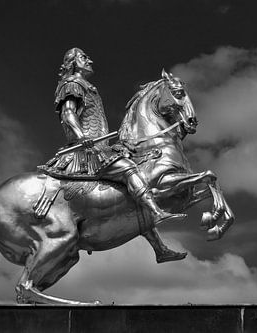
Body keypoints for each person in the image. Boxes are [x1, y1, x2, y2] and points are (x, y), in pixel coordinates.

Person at [39, 48, 186, 263]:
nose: (89, 60)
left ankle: (159, 249)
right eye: (83, 57)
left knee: (130, 194)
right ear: (72, 63)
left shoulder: (88, 87)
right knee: (129, 169)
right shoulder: (72, 84)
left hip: (99, 147)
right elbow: (68, 113)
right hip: (87, 151)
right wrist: (81, 138)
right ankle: (156, 211)